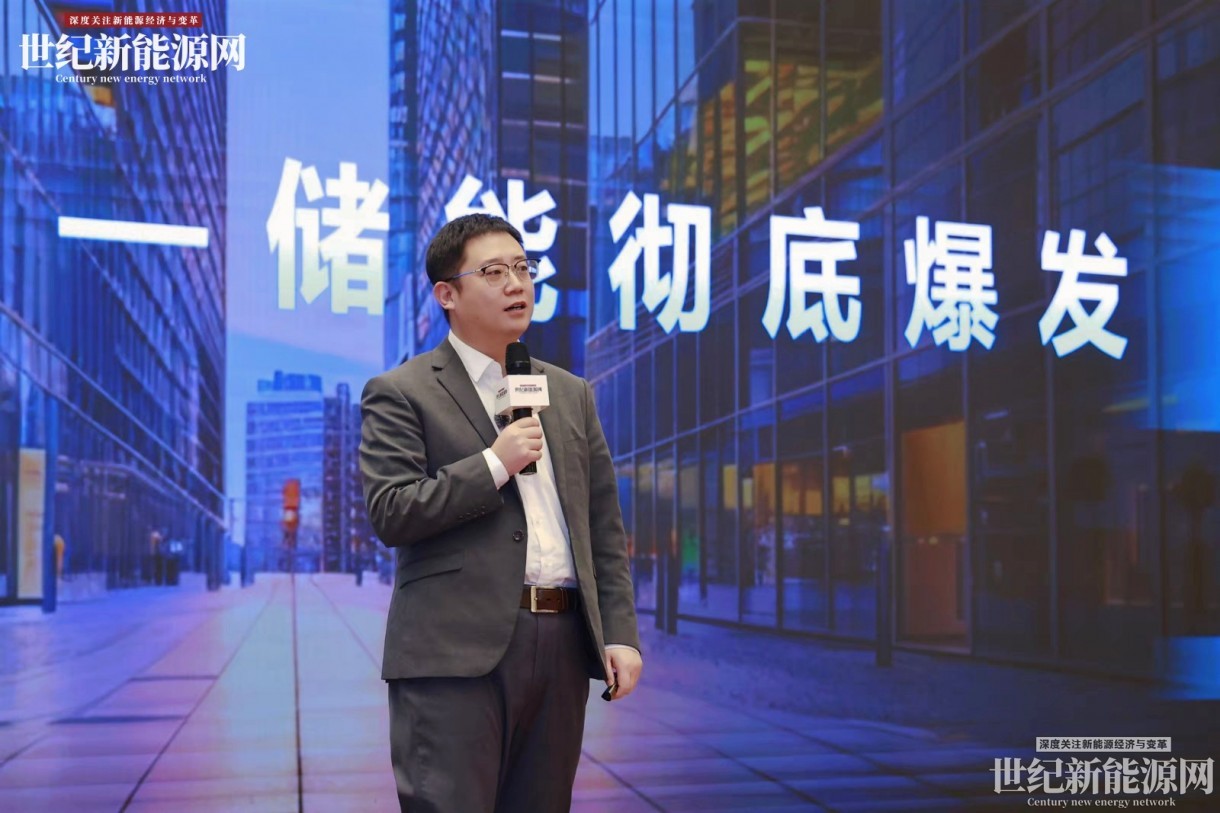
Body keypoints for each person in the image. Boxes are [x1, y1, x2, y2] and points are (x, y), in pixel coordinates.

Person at [359, 213, 643, 813]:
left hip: (561, 646)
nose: (516, 283)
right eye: (493, 272)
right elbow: (392, 510)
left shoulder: (569, 393)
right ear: (447, 295)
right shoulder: (402, 391)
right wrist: (494, 463)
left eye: (523, 268)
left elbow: (601, 527)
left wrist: (619, 632)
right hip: (454, 655)